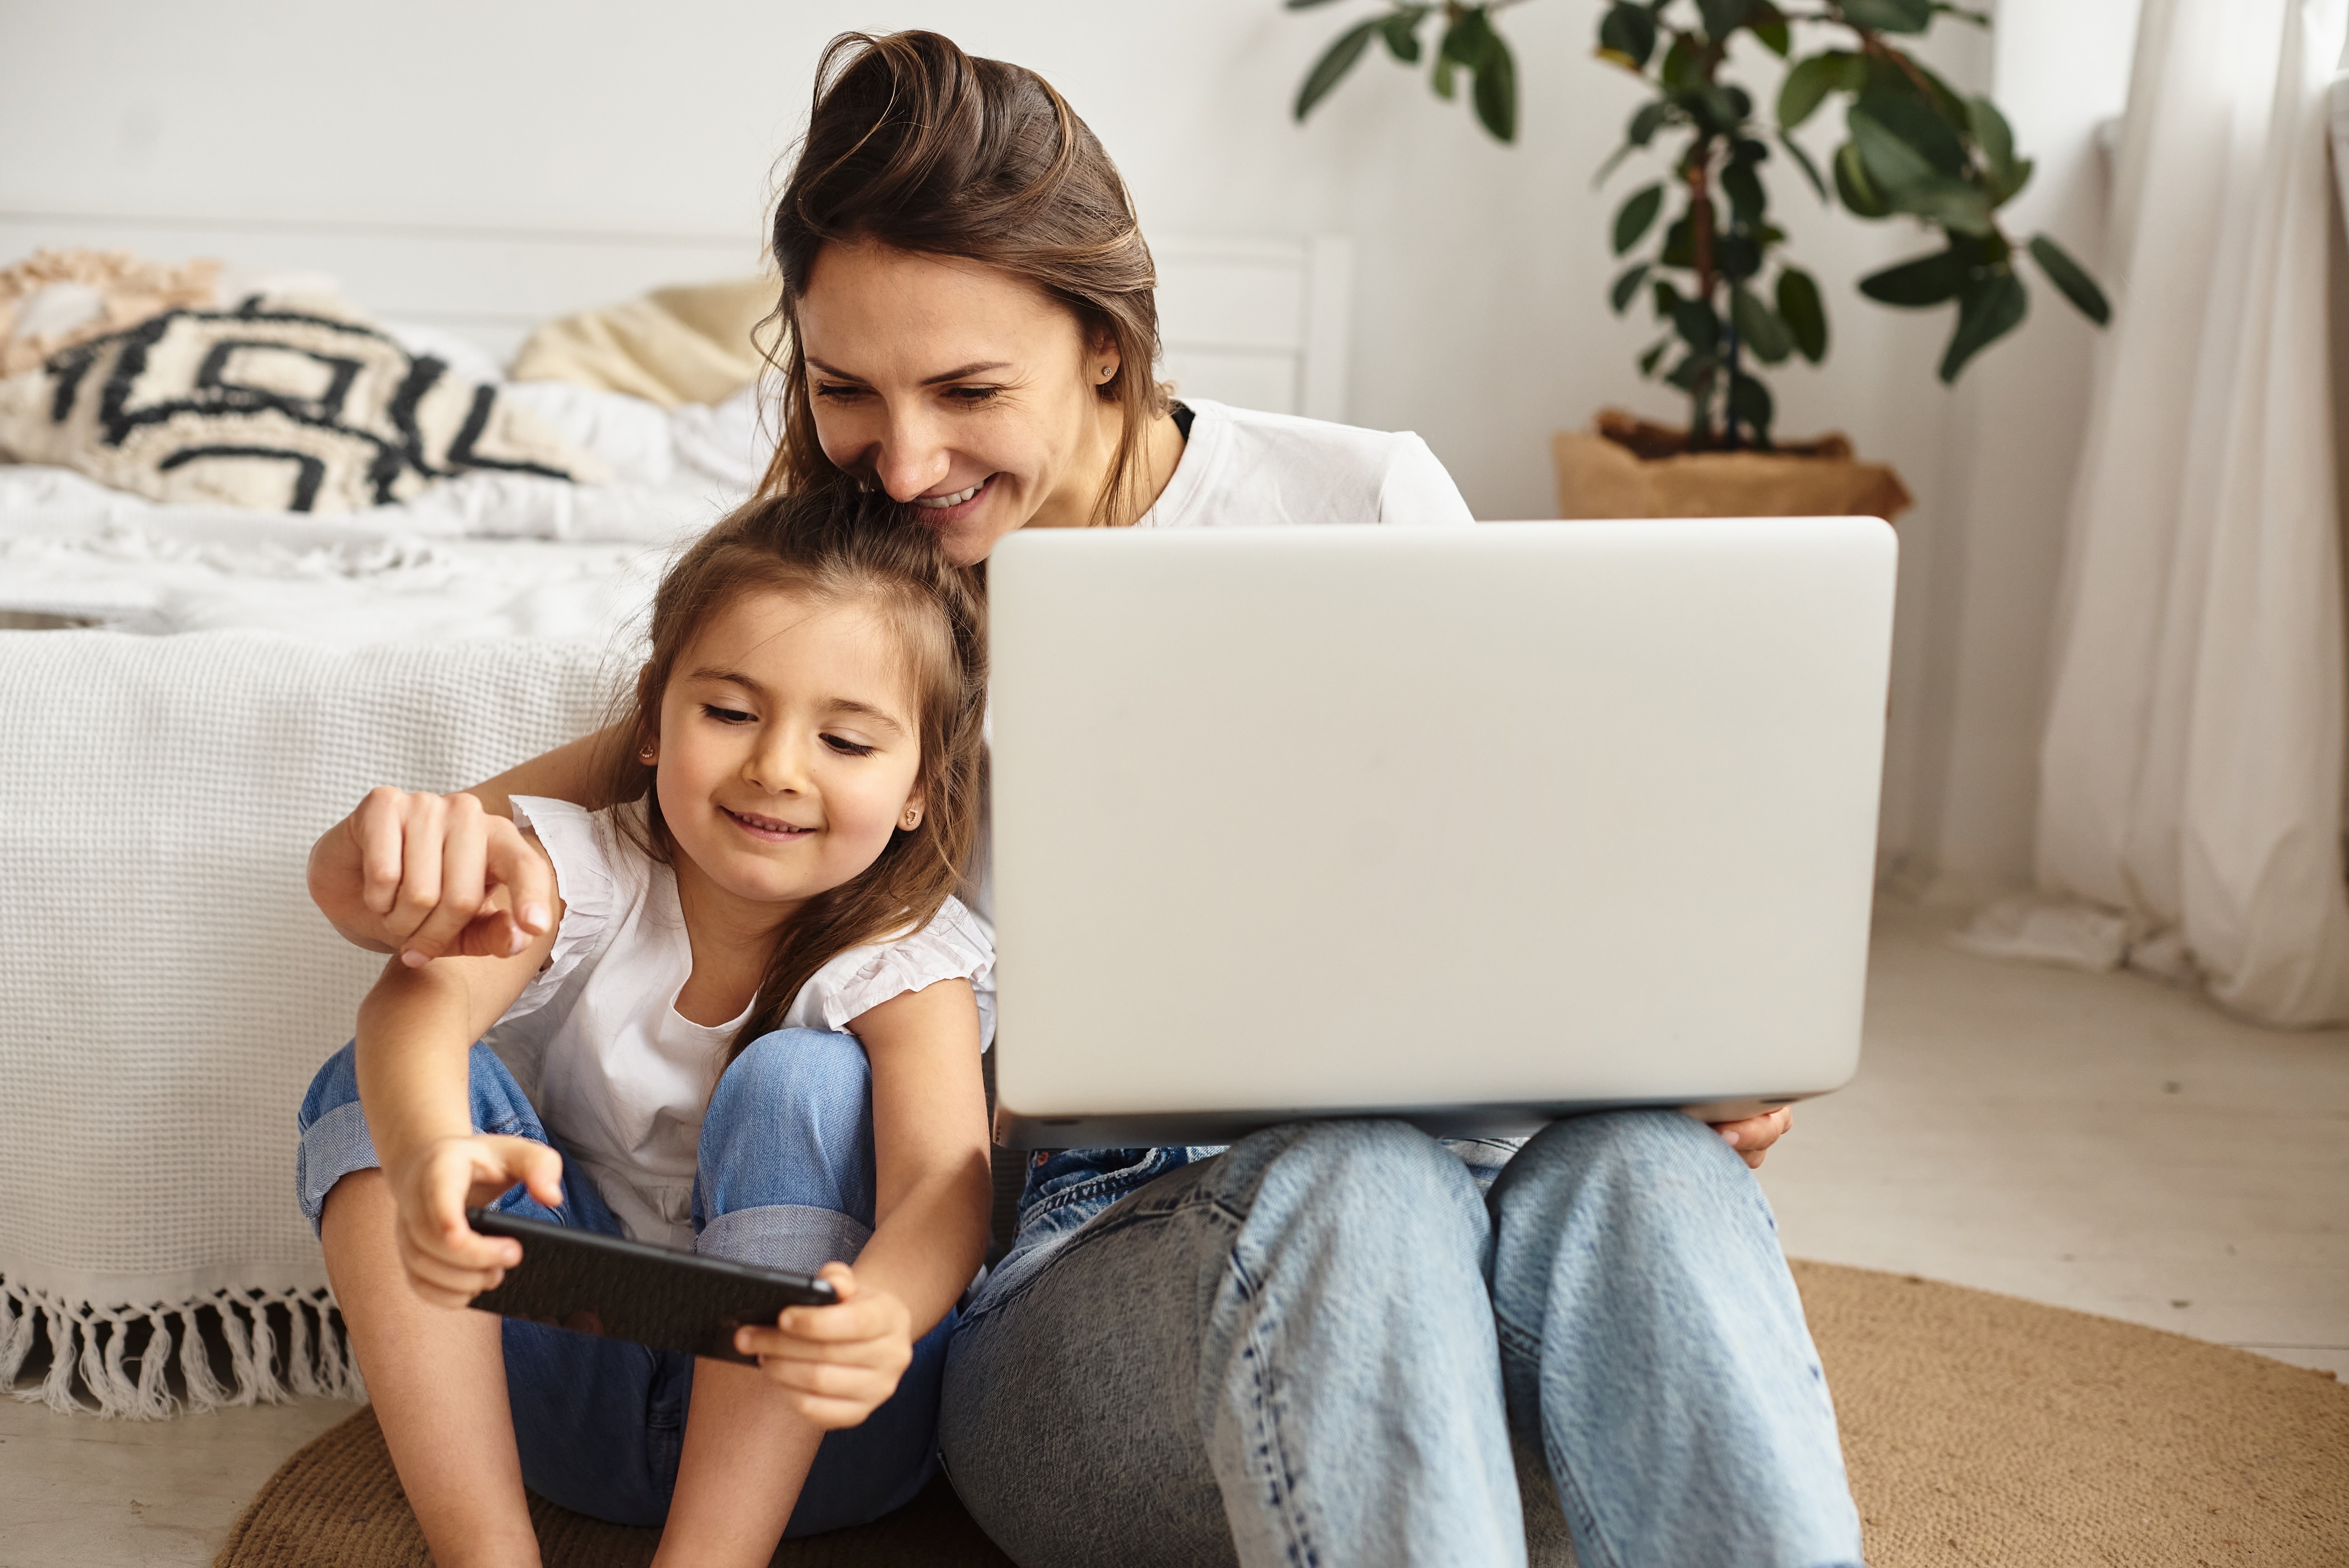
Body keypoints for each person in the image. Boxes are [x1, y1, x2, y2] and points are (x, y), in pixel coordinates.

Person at [303, 29, 1858, 1568]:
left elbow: (1550, 859)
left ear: (1108, 341)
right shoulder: (866, 590)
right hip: (1093, 1287)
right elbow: (617, 778)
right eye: (848, 389)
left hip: (1467, 1269)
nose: (903, 461)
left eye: (969, 389)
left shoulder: (1361, 503)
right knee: (1355, 1179)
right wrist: (396, 852)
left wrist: (1687, 1042)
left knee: (1650, 1162)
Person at [297, 483, 996, 1568]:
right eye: (728, 713)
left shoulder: (907, 953)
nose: (777, 767)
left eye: (848, 741)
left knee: (801, 1078)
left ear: (920, 786)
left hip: (819, 1423)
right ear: (653, 721)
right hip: (572, 1400)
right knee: (369, 1084)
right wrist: (434, 1149)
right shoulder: (575, 871)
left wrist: (885, 1314)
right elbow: (419, 1009)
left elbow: (944, 1182)